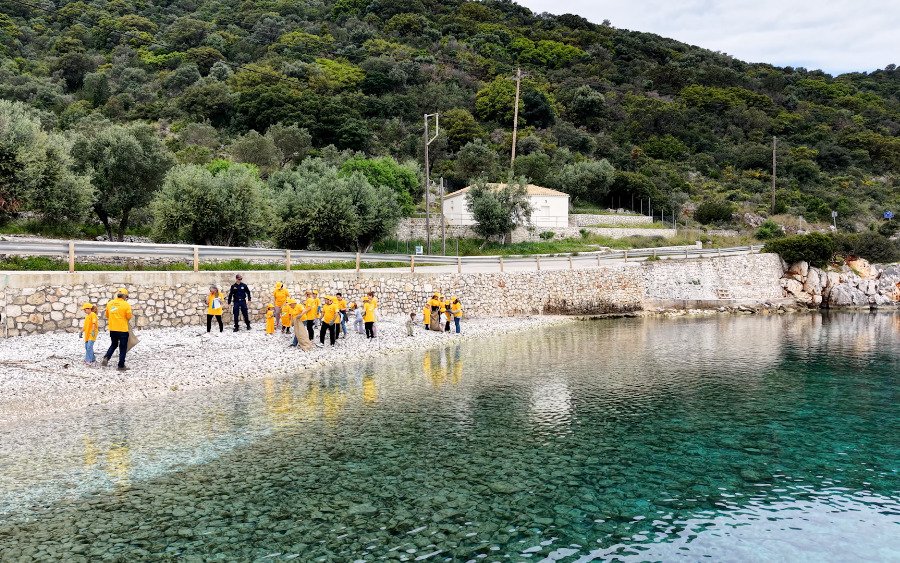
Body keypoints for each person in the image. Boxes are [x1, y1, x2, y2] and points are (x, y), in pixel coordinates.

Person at [101, 288, 132, 371]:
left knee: (114, 344)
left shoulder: (110, 303)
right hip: (122, 329)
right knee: (123, 347)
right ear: (124, 296)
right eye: (127, 297)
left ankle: (106, 357)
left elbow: (107, 315)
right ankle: (121, 366)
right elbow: (129, 317)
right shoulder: (126, 305)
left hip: (113, 328)